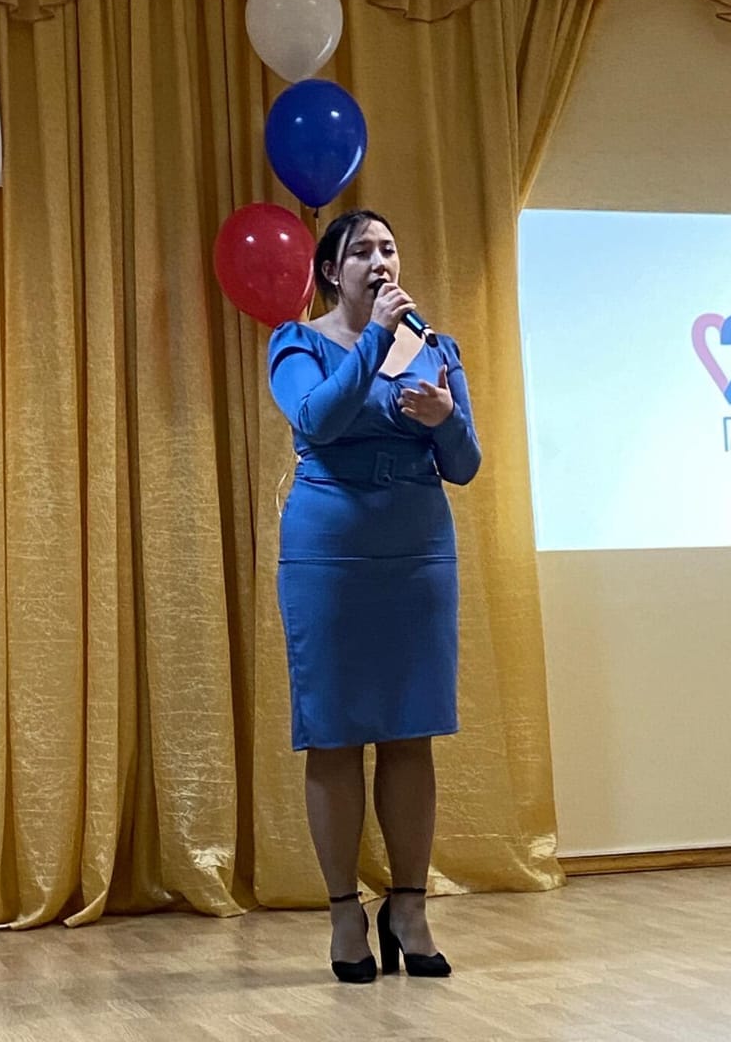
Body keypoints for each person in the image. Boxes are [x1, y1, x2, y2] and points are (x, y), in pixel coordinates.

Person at [267, 208, 481, 984]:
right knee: (334, 733)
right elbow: (317, 420)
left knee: (410, 730)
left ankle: (410, 909)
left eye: (389, 247)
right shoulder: (298, 344)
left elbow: (465, 465)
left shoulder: (437, 348)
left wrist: (446, 419)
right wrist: (375, 341)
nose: (380, 260)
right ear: (332, 271)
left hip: (417, 550)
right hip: (331, 551)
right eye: (362, 250)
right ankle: (344, 916)